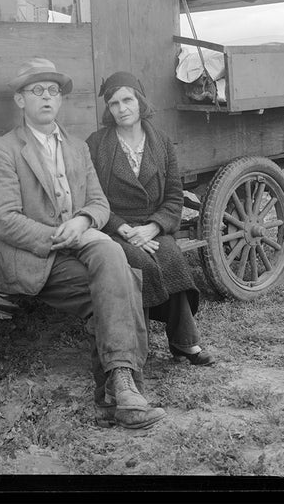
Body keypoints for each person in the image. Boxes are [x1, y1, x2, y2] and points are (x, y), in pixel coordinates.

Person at [0, 58, 166, 429]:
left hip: (80, 240)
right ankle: (123, 390)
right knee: (124, 283)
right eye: (37, 91)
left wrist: (82, 220)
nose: (47, 98)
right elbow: (4, 221)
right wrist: (56, 235)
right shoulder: (5, 150)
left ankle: (120, 389)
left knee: (112, 252)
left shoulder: (77, 147)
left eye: (53, 91)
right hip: (37, 257)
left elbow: (99, 204)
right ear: (20, 101)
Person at [86, 71, 214, 366]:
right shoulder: (97, 144)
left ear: (140, 101)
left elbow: (173, 195)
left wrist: (154, 227)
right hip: (114, 226)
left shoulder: (162, 143)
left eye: (127, 100)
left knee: (170, 256)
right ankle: (133, 349)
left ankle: (184, 342)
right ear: (109, 109)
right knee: (139, 263)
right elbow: (92, 197)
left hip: (152, 225)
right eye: (114, 103)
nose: (122, 108)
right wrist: (125, 229)